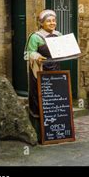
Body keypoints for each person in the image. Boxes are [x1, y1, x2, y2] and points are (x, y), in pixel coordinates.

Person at [24, 9, 62, 140]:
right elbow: (28, 53)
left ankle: (57, 130)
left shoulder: (58, 35)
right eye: (48, 21)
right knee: (40, 96)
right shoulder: (35, 37)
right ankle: (39, 131)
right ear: (42, 23)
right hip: (40, 71)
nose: (52, 23)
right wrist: (37, 57)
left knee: (57, 97)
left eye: (53, 20)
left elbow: (61, 50)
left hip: (56, 70)